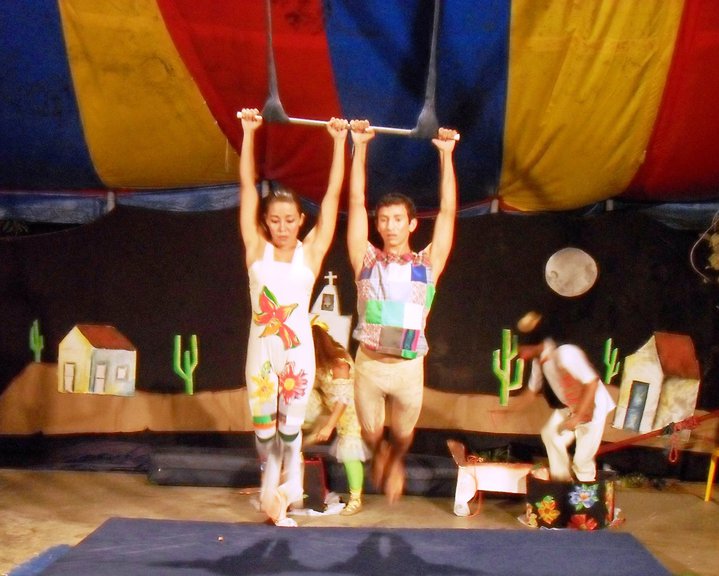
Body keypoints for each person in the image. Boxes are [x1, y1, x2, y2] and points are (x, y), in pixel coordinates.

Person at [238, 108, 348, 526]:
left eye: (289, 220)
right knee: (265, 432)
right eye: (274, 221)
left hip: (298, 355)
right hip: (261, 355)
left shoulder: (311, 252)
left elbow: (332, 199)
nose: (282, 227)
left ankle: (287, 492)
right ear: (265, 223)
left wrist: (339, 144)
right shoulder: (256, 249)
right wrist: (249, 133)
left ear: (302, 220)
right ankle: (274, 491)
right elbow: (247, 187)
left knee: (290, 432)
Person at [346, 120, 459, 503]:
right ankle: (382, 455)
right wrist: (360, 146)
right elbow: (355, 203)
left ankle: (395, 459)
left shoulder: (427, 264)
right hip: (370, 364)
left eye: (397, 219)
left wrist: (446, 157)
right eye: (383, 220)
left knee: (403, 434)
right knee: (371, 434)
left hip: (409, 367)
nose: (390, 226)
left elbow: (447, 213)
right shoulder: (366, 259)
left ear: (411, 224)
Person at [516, 312, 616, 482]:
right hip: (570, 406)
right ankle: (562, 482)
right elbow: (531, 392)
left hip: (593, 406)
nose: (521, 355)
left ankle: (586, 493)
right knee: (550, 434)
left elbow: (591, 384)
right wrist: (507, 411)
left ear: (534, 345)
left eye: (522, 349)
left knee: (582, 460)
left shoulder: (566, 353)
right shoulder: (539, 361)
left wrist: (578, 417)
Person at [303, 317, 369, 515]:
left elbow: (343, 399)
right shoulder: (319, 364)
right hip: (328, 407)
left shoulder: (339, 363)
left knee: (349, 450)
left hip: (349, 411)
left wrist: (329, 426)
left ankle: (356, 499)